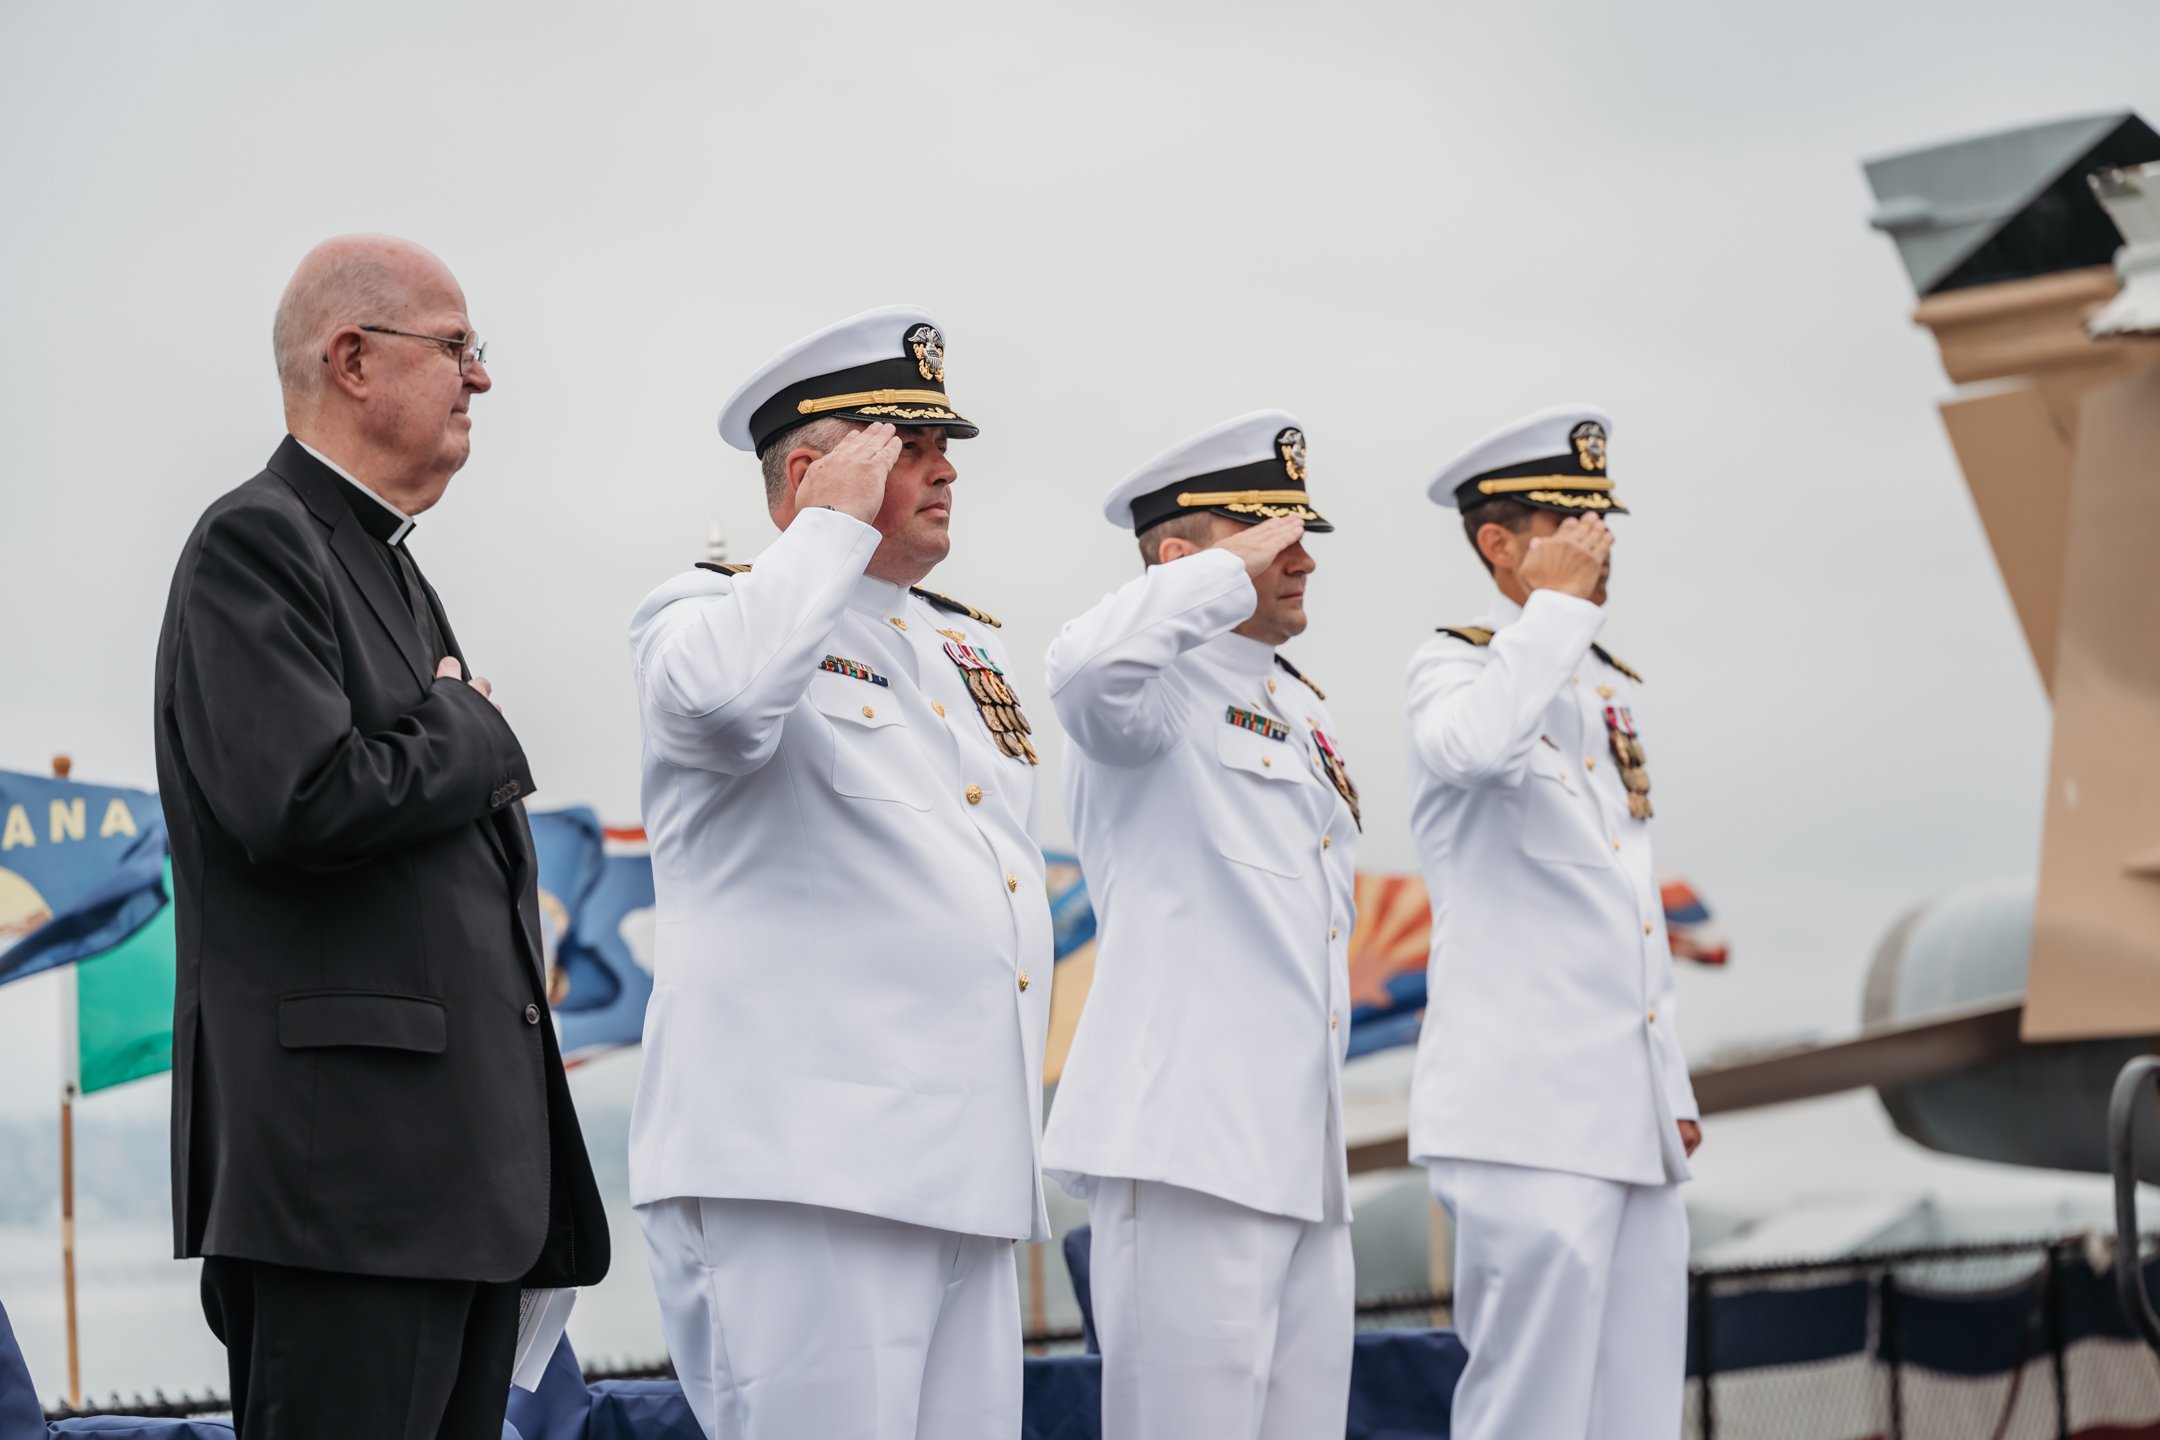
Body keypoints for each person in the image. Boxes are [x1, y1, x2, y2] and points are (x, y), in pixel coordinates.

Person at [152, 235, 609, 1440]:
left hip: (441, 1195)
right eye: (458, 347)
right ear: (352, 360)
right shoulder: (256, 544)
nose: (482, 379)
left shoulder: (387, 568)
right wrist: (472, 726)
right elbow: (298, 800)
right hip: (346, 1190)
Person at [627, 306, 1052, 1440]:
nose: (942, 468)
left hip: (962, 1164)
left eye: (941, 446)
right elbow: (716, 709)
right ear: (810, 471)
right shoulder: (709, 612)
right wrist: (822, 533)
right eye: (904, 447)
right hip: (805, 1167)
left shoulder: (966, 648)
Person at [1041, 412, 1360, 1440]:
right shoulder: (1151, 697)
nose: (1301, 557)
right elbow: (1086, 671)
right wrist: (1220, 574)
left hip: (1300, 1150)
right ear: (1179, 562)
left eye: (1300, 533)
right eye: (1271, 535)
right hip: (1185, 1142)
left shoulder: (1297, 708)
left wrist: (1242, 552)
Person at [1405, 404, 1701, 1440]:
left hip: (1630, 1118)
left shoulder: (1604, 689)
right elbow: (1478, 749)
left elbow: (1623, 908)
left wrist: (1671, 1092)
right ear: (1499, 543)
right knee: (1531, 1413)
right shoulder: (1456, 670)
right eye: (1571, 521)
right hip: (1524, 1116)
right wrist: (1558, 612)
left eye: (1600, 520)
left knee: (1635, 1415)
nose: (1598, 542)